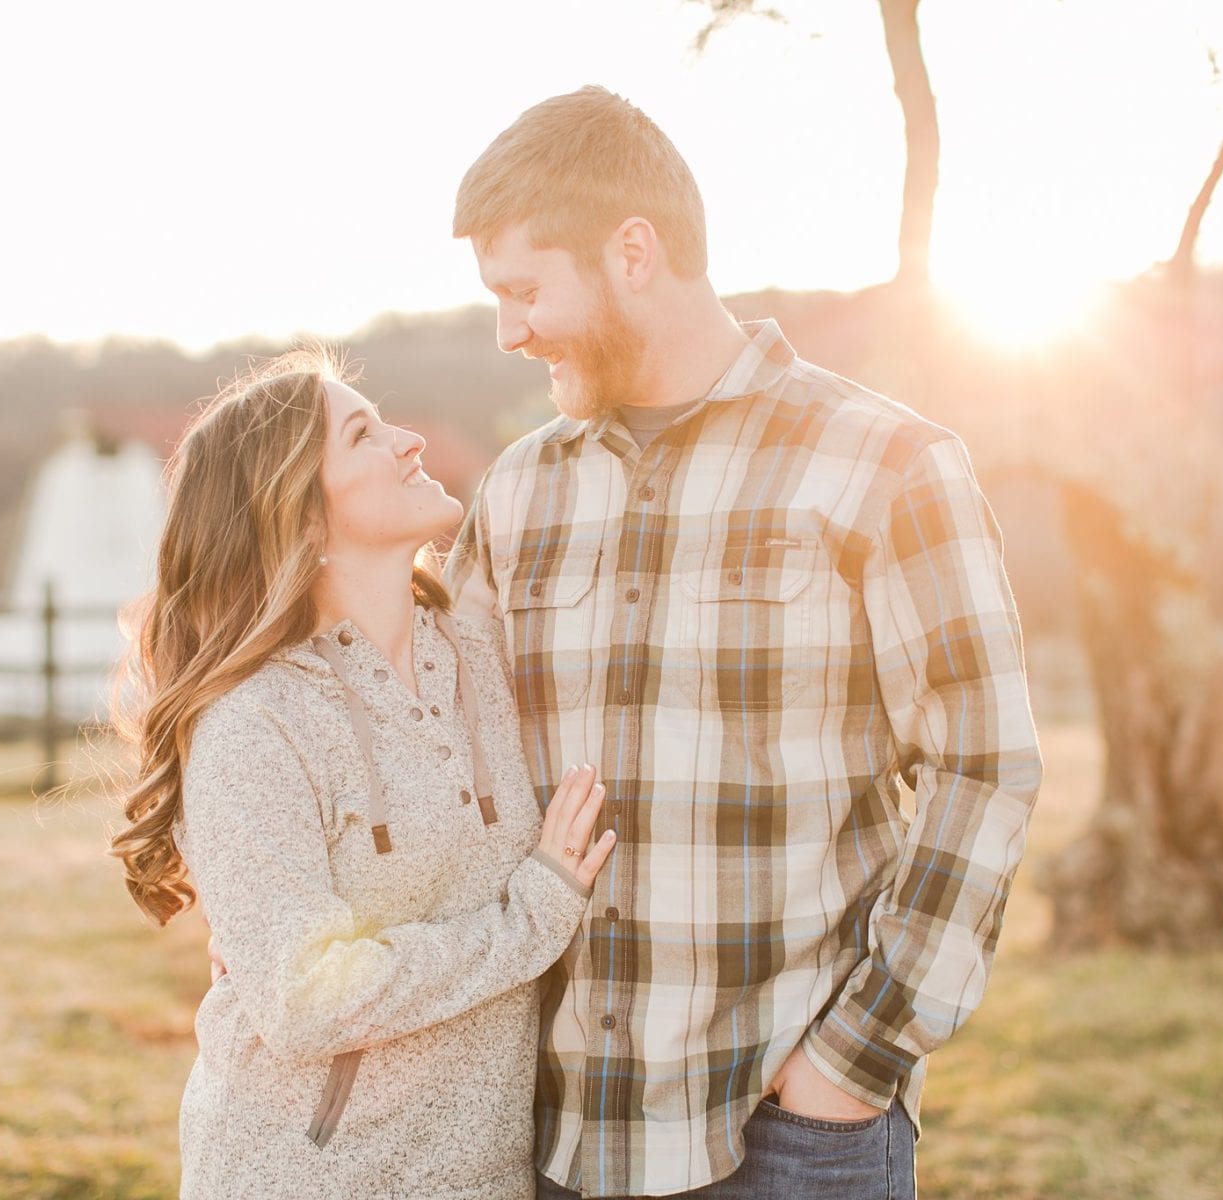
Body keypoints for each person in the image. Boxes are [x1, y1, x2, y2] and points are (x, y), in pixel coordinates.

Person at [446, 87, 1045, 1199]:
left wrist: (856, 1060)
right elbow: (443, 758)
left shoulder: (886, 464)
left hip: (782, 1132)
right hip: (553, 1136)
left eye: (524, 290)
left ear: (634, 251)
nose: (509, 331)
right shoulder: (519, 492)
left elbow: (985, 765)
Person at [108, 347, 615, 1200]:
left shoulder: (486, 655)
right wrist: (536, 912)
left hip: (488, 1176)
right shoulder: (254, 724)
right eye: (365, 435)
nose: (411, 440)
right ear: (302, 517)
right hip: (304, 1177)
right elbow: (304, 999)